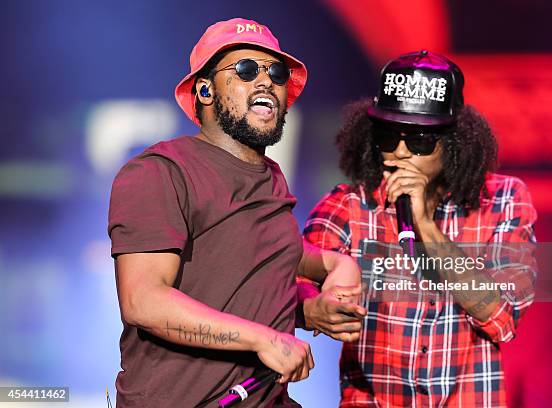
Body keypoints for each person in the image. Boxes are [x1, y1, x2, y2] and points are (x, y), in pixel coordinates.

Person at [108, 18, 364, 408]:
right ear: (205, 90)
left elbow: (268, 265)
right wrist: (265, 338)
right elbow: (144, 301)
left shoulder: (271, 177)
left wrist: (331, 273)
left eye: (276, 73)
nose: (266, 81)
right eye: (246, 70)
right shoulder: (161, 171)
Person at [302, 50, 537, 407]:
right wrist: (309, 308)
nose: (399, 152)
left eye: (420, 141)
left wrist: (426, 226)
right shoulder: (350, 205)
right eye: (387, 137)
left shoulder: (503, 200)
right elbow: (287, 281)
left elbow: (501, 316)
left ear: (455, 143)